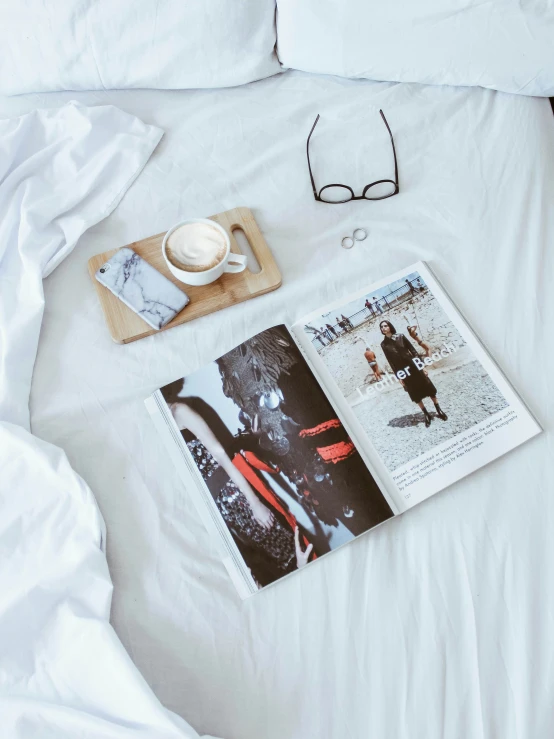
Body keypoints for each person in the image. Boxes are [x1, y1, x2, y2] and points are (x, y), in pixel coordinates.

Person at [165, 388, 314, 585]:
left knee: (285, 552)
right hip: (217, 513)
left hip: (235, 497)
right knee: (261, 569)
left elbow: (223, 459)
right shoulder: (158, 430)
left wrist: (254, 503)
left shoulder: (179, 412)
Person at [379, 320, 448, 428]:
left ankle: (438, 409)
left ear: (390, 326)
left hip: (414, 366)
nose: (383, 328)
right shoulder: (383, 344)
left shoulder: (401, 336)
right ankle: (426, 414)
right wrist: (399, 377)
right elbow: (390, 361)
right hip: (403, 371)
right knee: (414, 393)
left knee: (428, 386)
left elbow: (413, 351)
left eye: (385, 326)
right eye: (381, 327)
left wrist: (422, 366)